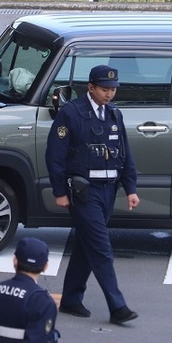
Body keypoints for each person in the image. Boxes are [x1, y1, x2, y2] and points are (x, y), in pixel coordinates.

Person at [46, 65, 139, 325]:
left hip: (109, 190)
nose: (109, 94)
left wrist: (131, 188)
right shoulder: (72, 113)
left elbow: (125, 153)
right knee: (101, 247)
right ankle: (117, 306)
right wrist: (60, 192)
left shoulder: (114, 114)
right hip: (84, 192)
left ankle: (72, 299)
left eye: (113, 90)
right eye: (104, 89)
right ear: (91, 88)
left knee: (86, 245)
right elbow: (55, 155)